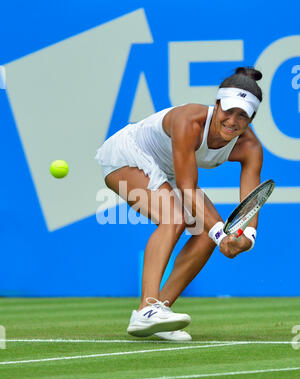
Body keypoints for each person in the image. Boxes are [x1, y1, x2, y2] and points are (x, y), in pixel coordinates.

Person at [95, 66, 263, 341]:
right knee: (174, 218)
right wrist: (222, 233)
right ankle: (146, 309)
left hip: (169, 172)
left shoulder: (251, 148)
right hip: (128, 156)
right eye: (228, 111)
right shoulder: (189, 120)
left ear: (251, 119)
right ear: (217, 104)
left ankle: (159, 312)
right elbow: (186, 187)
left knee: (206, 236)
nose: (232, 120)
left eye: (242, 115)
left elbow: (250, 202)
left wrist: (247, 237)